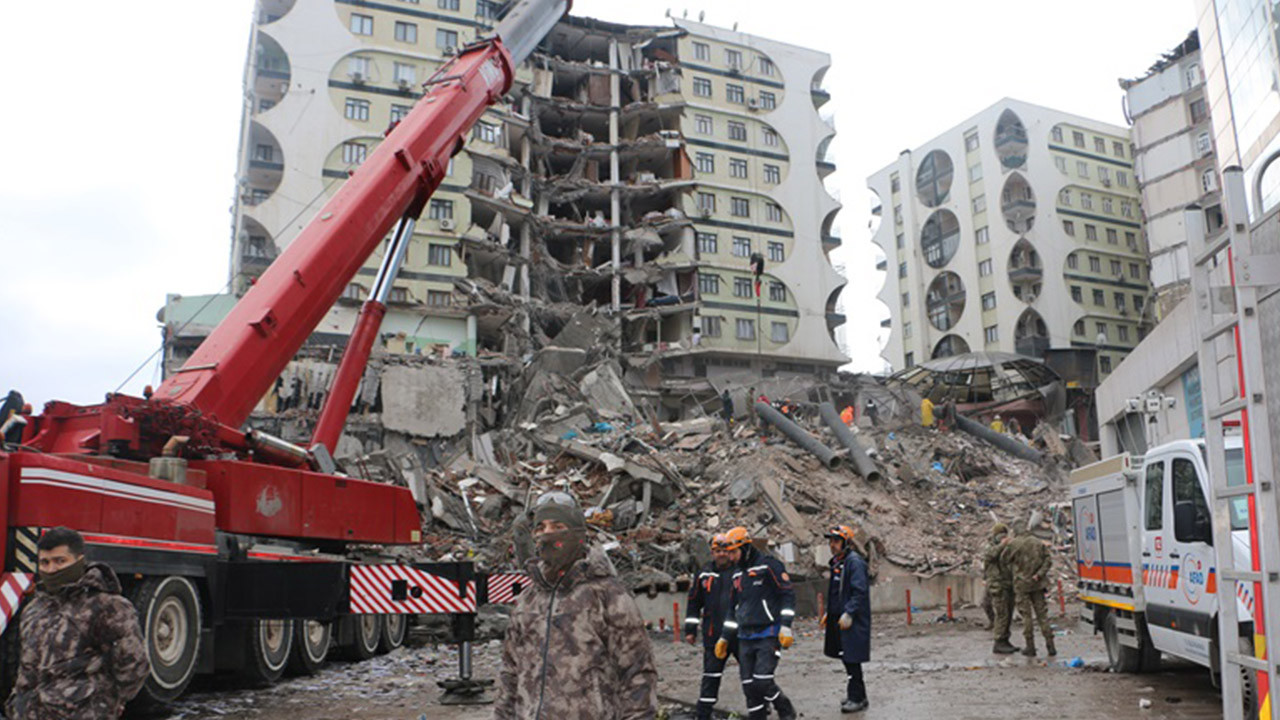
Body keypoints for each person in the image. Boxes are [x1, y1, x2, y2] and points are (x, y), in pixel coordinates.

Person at [495, 492, 658, 718]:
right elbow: (510, 673)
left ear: (578, 533)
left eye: (557, 526)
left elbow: (638, 674)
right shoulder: (528, 599)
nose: (547, 534)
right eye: (540, 528)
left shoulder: (608, 595)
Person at [6, 526, 149, 720]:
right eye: (44, 562)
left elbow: (133, 667)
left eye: (60, 561)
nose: (52, 569)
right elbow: (27, 668)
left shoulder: (107, 607)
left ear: (79, 560)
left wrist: (106, 705)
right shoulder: (35, 609)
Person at [715, 527, 797, 720]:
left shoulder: (769, 566)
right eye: (729, 553)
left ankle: (784, 708)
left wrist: (785, 626)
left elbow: (788, 595)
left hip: (768, 634)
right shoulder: (736, 575)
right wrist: (725, 638)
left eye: (734, 552)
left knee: (762, 681)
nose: (731, 557)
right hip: (745, 637)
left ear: (746, 548)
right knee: (749, 686)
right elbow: (732, 609)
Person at [685, 534, 739, 720]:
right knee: (711, 677)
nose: (722, 554)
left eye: (725, 550)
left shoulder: (740, 573)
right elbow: (694, 602)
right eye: (718, 551)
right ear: (712, 553)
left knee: (752, 676)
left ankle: (761, 711)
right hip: (713, 635)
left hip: (739, 636)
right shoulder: (704, 574)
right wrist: (690, 630)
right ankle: (703, 714)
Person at [823, 526, 871, 713]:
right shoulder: (838, 563)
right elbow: (837, 593)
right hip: (840, 618)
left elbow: (859, 592)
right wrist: (831, 612)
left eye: (836, 541)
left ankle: (856, 697)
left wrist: (849, 612)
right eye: (831, 541)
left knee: (852, 659)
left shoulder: (854, 563)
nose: (832, 545)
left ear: (846, 543)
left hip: (853, 621)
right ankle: (860, 696)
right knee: (847, 658)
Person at [1006, 531, 1055, 657]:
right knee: (1042, 616)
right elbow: (1048, 560)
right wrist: (1039, 574)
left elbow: (1004, 560)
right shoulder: (1037, 542)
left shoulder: (1014, 544)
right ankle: (1051, 646)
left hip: (1021, 585)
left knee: (1026, 616)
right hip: (1037, 584)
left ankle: (1030, 647)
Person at [983, 523, 1018, 654]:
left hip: (1008, 583)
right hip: (997, 584)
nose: (1003, 538)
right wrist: (1002, 545)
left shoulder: (1005, 547)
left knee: (1008, 613)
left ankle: (1005, 639)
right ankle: (999, 641)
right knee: (1002, 614)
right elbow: (989, 556)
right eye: (1000, 536)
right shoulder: (990, 547)